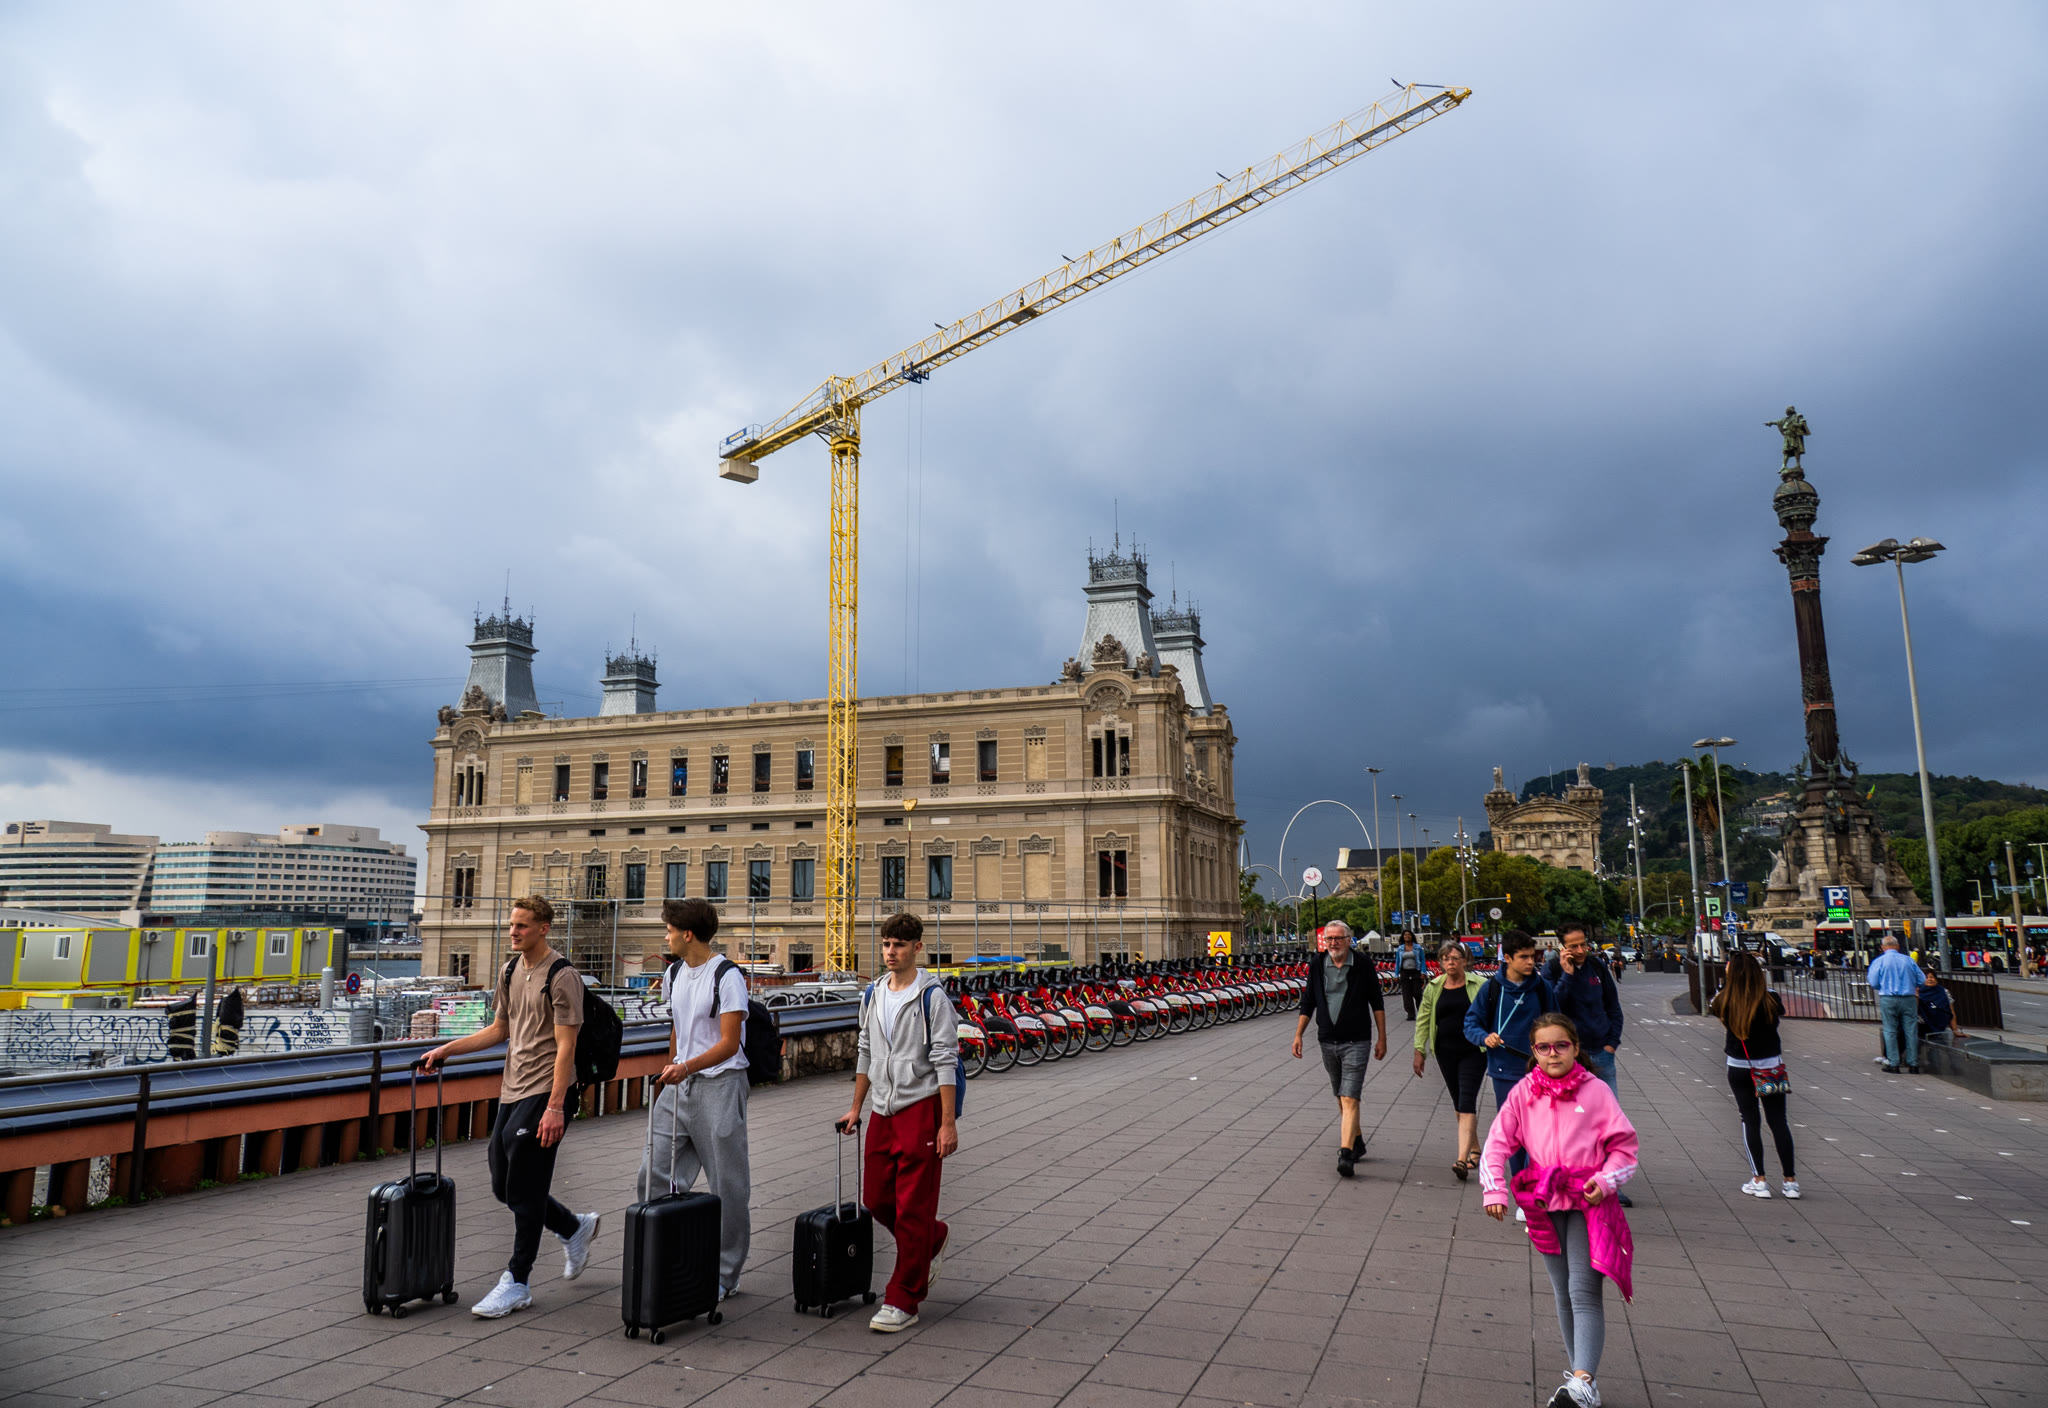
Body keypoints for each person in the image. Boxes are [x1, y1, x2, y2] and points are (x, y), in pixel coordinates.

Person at [420, 896, 600, 1318]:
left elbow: (567, 1047)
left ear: (543, 928)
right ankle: (573, 1227)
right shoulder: (509, 971)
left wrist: (555, 1107)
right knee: (504, 1185)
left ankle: (517, 1280)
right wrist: (446, 1050)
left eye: (522, 925)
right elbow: (499, 1030)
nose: (513, 931)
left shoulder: (562, 976)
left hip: (546, 1090)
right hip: (512, 1088)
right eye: (512, 924)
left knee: (526, 1185)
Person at [1480, 1012, 1638, 1408]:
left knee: (1583, 1290)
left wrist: (1605, 1181)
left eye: (1561, 1045)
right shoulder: (1523, 1093)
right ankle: (1582, 1383)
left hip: (1588, 1202)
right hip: (1543, 1203)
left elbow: (1625, 1148)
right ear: (1534, 1052)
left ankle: (1582, 1381)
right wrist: (1494, 1188)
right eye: (1544, 1047)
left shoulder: (1596, 1091)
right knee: (1562, 1291)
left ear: (1575, 1048)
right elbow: (1497, 1143)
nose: (1553, 1054)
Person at [838, 912, 960, 1333]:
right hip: (882, 1110)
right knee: (876, 1199)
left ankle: (903, 1298)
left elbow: (946, 1059)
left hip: (921, 1107)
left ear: (917, 948)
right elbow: (866, 1050)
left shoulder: (932, 998)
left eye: (900, 945)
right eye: (887, 944)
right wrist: (856, 1107)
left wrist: (947, 1124)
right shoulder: (873, 993)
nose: (891, 952)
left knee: (912, 1209)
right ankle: (932, 1237)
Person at [641, 897, 751, 1301]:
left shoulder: (727, 976)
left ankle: (725, 1274)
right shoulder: (674, 973)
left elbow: (729, 1043)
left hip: (721, 1084)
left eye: (669, 930)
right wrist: (673, 1066)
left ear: (687, 934)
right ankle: (667, 1257)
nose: (665, 936)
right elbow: (678, 1027)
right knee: (653, 1175)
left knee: (727, 1183)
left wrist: (685, 1066)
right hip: (680, 1085)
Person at [1544, 924, 1632, 1207]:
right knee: (1570, 1121)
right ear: (1562, 947)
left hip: (1601, 1051)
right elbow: (1552, 1007)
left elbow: (1613, 1007)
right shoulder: (1552, 969)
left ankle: (1610, 1182)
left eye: (1583, 944)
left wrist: (1612, 1043)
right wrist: (1567, 975)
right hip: (1569, 1057)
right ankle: (1571, 1179)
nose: (1581, 950)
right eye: (1573, 946)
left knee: (1608, 1120)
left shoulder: (1597, 967)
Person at [1293, 920, 1389, 1178]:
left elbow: (1376, 1002)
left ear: (1349, 940)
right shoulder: (1317, 964)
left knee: (1350, 1097)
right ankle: (1357, 1140)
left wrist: (1382, 1037)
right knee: (1340, 1095)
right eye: (1329, 938)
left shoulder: (1362, 964)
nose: (1333, 943)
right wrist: (1298, 1034)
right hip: (1327, 1039)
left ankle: (1346, 1153)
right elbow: (1308, 1001)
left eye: (1338, 938)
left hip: (1357, 1039)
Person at [1466, 930, 1557, 1201]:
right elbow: (1470, 1023)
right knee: (1515, 1135)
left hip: (1540, 1071)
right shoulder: (1491, 989)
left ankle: (1541, 1183)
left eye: (1533, 956)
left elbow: (1557, 1022)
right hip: (1504, 1072)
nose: (1531, 962)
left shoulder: (1542, 988)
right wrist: (1484, 1037)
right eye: (1524, 957)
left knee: (1542, 1132)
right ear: (1507, 958)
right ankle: (1523, 1191)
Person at [1709, 952, 1798, 1199]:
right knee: (1778, 1121)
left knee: (1749, 1120)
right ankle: (1790, 1182)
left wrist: (1727, 980)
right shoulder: (1771, 999)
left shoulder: (1724, 1000)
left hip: (1739, 1066)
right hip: (1770, 1066)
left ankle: (1759, 1180)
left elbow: (1714, 1005)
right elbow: (1777, 1014)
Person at [1412, 940, 1487, 1179]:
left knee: (1467, 1100)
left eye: (1455, 958)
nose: (1450, 963)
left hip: (1474, 1051)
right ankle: (1475, 1149)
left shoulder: (1480, 985)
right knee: (1458, 1102)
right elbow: (1423, 1019)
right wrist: (1419, 1050)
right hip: (1445, 1052)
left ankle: (1461, 1159)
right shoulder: (1434, 987)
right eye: (1446, 959)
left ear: (1464, 961)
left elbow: (1492, 1013)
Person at [1867, 934, 1926, 1073]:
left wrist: (1883, 987)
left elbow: (1873, 982)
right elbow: (1922, 979)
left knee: (1890, 1030)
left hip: (1888, 998)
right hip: (1909, 998)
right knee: (1911, 1030)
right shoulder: (1908, 960)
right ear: (1898, 946)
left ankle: (1894, 1063)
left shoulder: (1879, 961)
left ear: (1883, 947)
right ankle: (1913, 1064)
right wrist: (1912, 986)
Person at [1917, 968, 1964, 1048]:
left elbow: (1951, 1012)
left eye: (1932, 977)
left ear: (1936, 980)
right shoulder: (1918, 992)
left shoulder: (1944, 992)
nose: (1929, 979)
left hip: (1939, 1028)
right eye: (1926, 977)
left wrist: (1955, 1031)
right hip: (1921, 1027)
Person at [1392, 929, 1427, 1020]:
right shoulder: (1400, 949)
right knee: (1407, 995)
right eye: (1405, 935)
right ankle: (1410, 1014)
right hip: (1405, 973)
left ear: (1412, 936)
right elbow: (1397, 962)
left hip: (1416, 972)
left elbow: (1422, 960)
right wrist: (1396, 975)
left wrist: (1423, 972)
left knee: (1417, 993)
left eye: (1409, 934)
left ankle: (1421, 1011)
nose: (1407, 936)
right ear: (1403, 937)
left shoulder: (1418, 948)